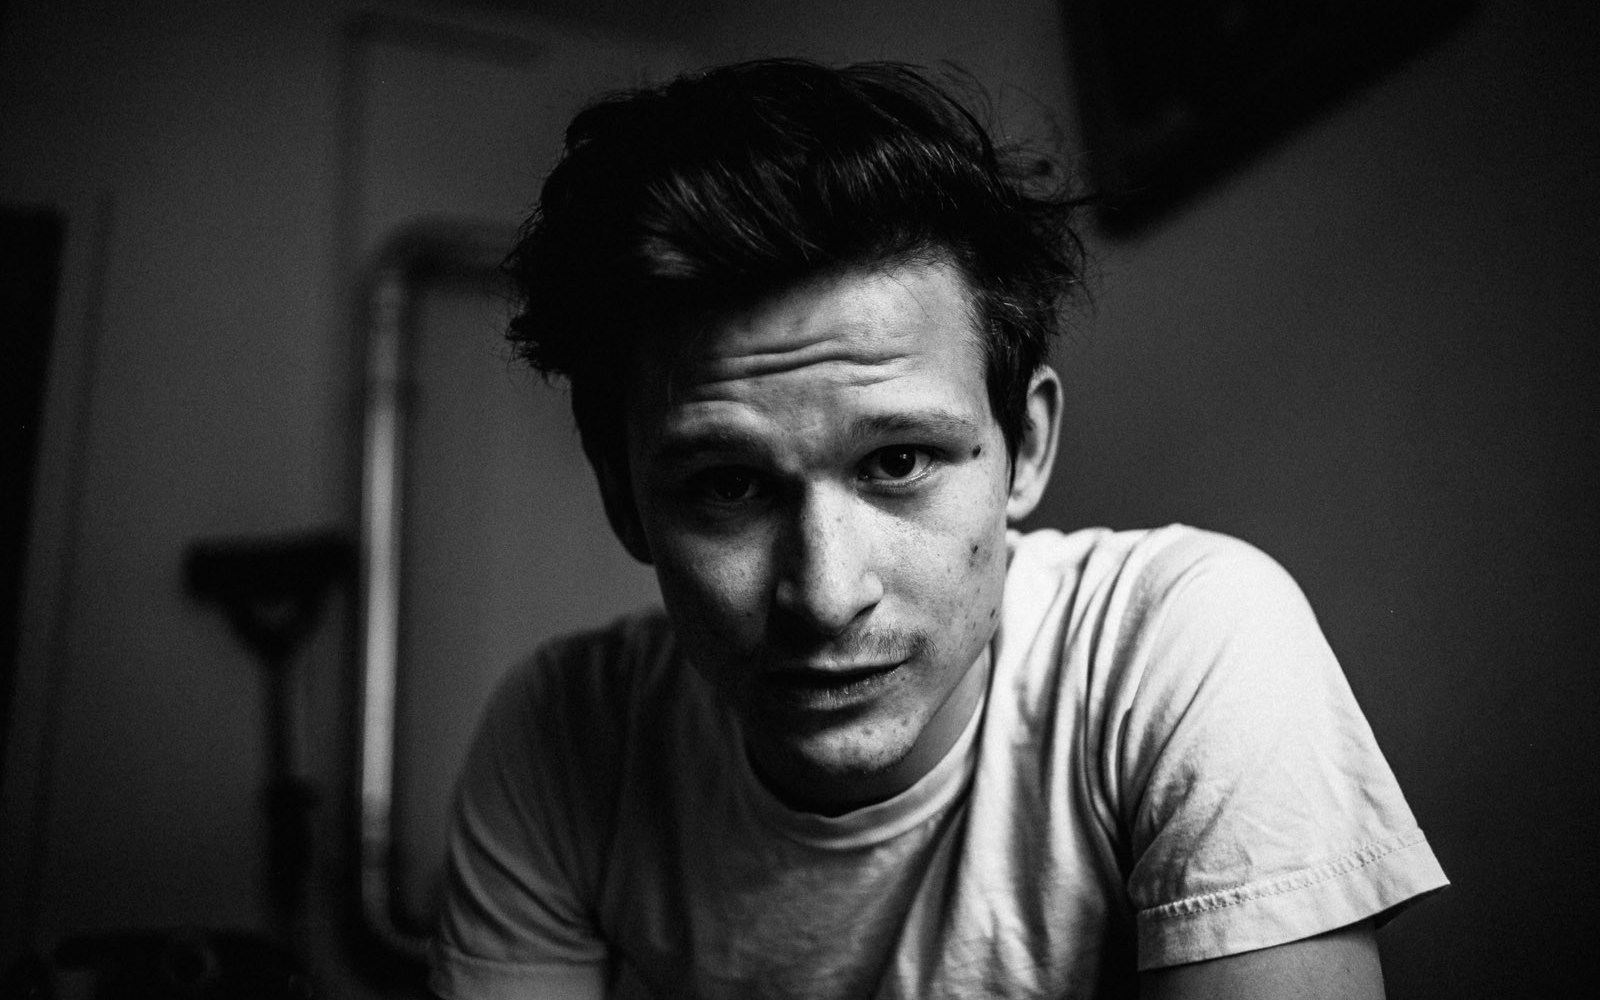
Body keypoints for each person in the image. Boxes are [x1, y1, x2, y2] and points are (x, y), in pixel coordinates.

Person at [429, 59, 1447, 1000]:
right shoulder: (564, 734)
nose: (826, 594)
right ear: (624, 501)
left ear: (1024, 448)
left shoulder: (1180, 641)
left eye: (898, 462)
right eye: (728, 486)